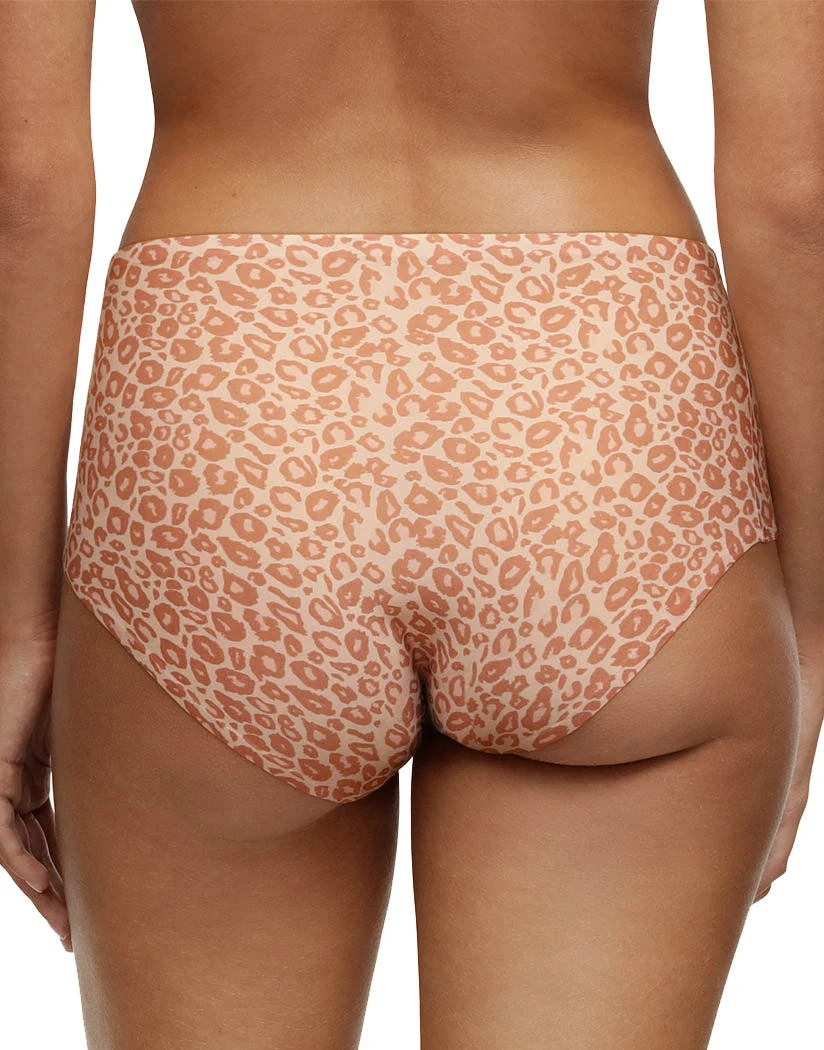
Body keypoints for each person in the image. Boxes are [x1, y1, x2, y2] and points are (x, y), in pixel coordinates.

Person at [0, 1, 820, 1047]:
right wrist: (808, 623)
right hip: (597, 407)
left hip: (231, 412)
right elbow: (797, 198)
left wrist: (19, 625)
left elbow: (21, 191)